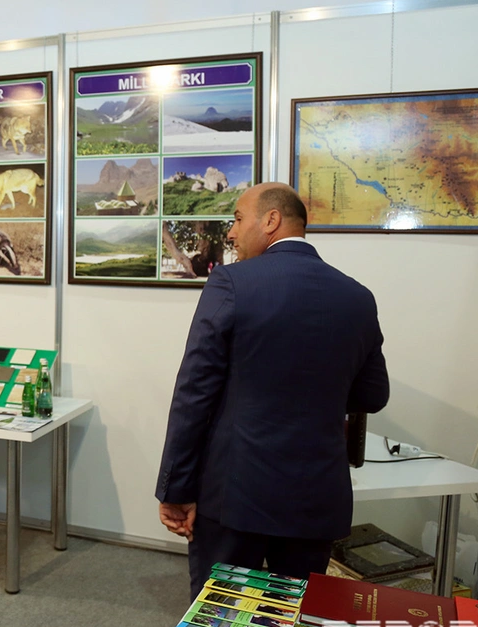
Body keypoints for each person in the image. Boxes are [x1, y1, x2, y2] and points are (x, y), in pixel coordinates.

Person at [155, 182, 389, 601]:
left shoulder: (231, 283)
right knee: (293, 619)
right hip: (317, 498)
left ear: (271, 220)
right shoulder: (358, 297)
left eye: (238, 219)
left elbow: (194, 394)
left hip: (235, 495)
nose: (231, 232)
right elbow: (373, 395)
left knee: (221, 619)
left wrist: (176, 491)